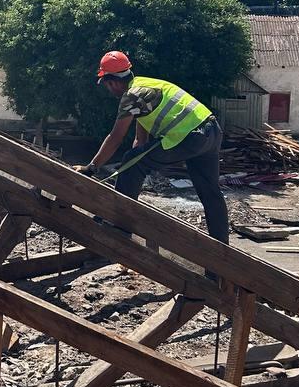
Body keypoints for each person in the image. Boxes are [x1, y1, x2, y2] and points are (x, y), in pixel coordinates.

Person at [78, 50, 229, 247]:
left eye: (106, 85)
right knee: (210, 193)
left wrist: (91, 168)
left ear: (112, 82)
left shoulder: (131, 96)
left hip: (188, 136)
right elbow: (141, 140)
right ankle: (222, 252)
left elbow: (115, 137)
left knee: (131, 162)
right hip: (212, 131)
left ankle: (120, 227)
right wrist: (137, 153)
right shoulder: (146, 86)